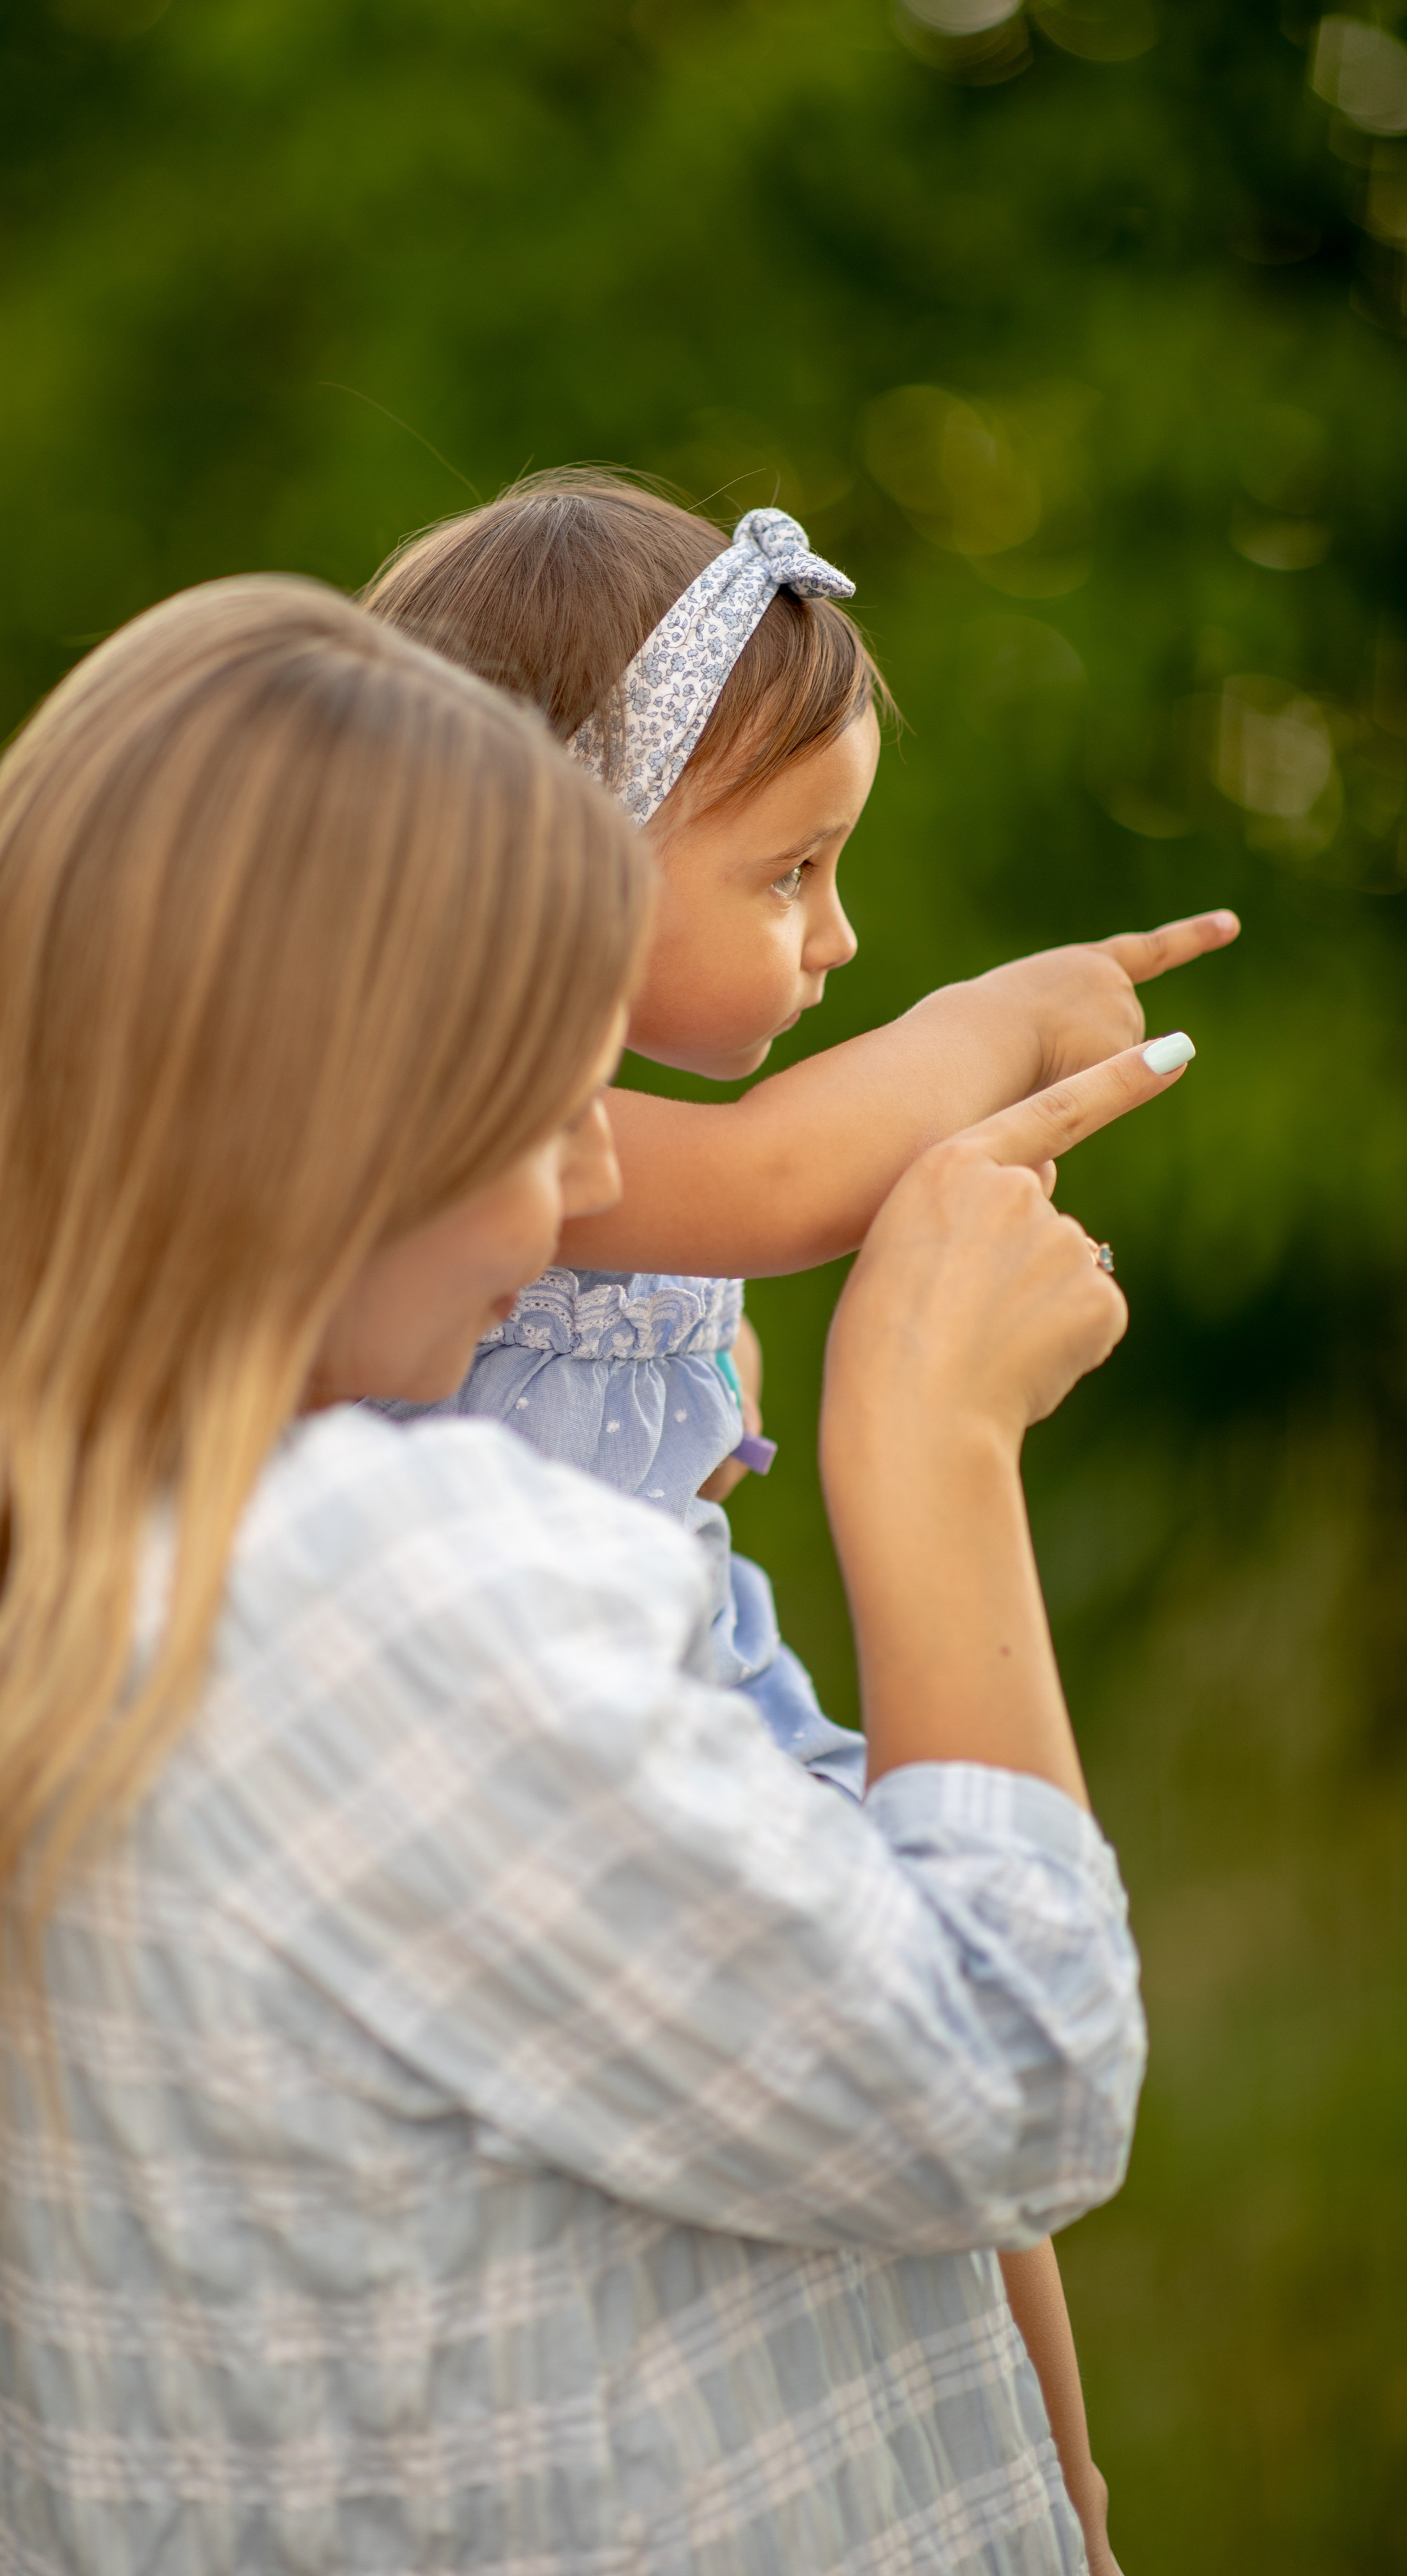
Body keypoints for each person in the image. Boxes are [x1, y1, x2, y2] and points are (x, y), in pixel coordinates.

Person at [0, 576, 1174, 2575]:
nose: (589, 1187)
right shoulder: (374, 1596)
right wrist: (932, 1441)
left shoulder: (16, 1530)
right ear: (332, 1114)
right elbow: (1021, 2081)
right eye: (543, 1100)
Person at [364, 471, 1232, 2560]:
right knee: (956, 2021)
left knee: (975, 2115)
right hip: (606, 1720)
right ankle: (1054, 2472)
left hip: (682, 1650)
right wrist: (999, 1024)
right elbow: (778, 1180)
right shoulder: (491, 1117)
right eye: (794, 875)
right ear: (555, 867)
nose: (839, 939)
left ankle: (1054, 2469)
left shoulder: (573, 1143)